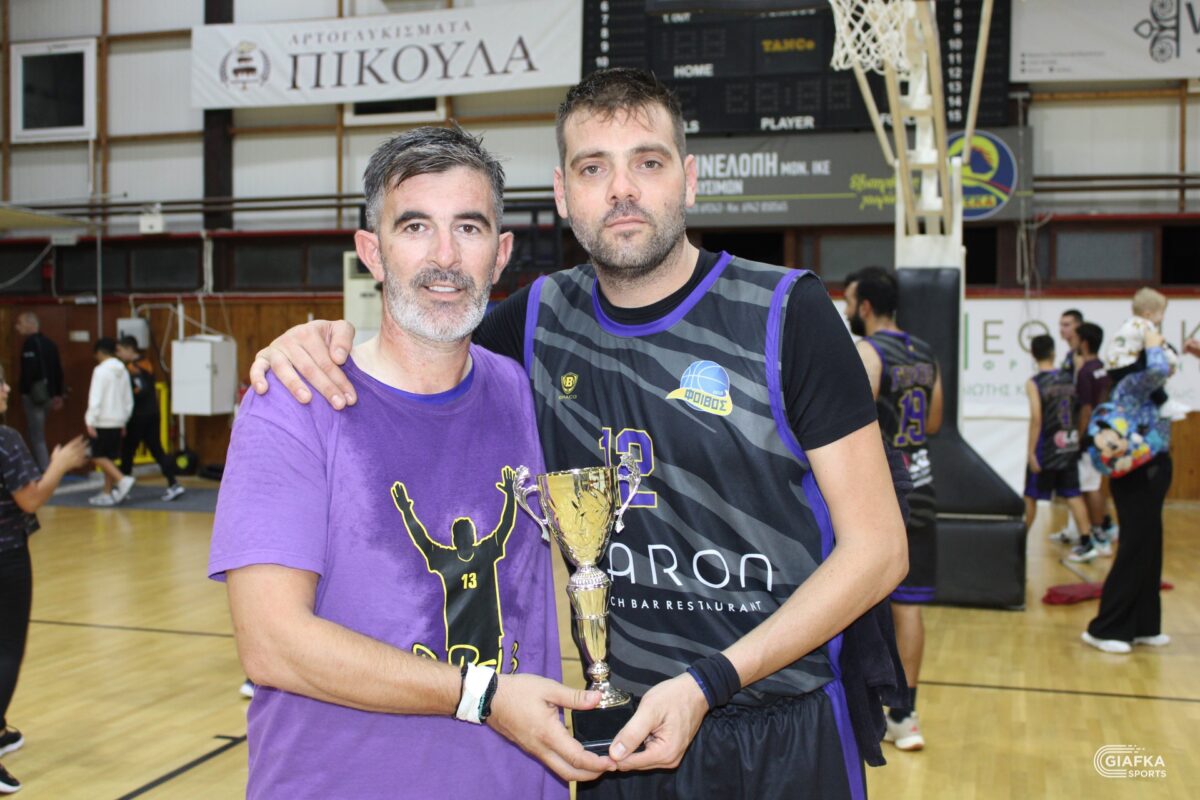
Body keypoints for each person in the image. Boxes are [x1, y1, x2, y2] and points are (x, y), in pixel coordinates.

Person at [252, 68, 907, 799]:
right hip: (614, 733)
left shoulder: (787, 312)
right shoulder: (538, 323)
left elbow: (879, 549)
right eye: (594, 168)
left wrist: (708, 682)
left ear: (689, 179)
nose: (622, 190)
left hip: (780, 727)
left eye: (648, 162)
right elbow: (422, 343)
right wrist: (317, 340)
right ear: (564, 195)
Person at [209, 126, 612, 800]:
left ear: (501, 254)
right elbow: (272, 644)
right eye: (416, 226)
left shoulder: (522, 392)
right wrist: (482, 695)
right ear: (372, 251)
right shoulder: (295, 399)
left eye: (469, 228)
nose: (444, 257)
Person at [844, 266, 942, 753]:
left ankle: (861, 705)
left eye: (849, 301)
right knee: (910, 605)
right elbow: (935, 420)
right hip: (922, 483)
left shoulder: (869, 352)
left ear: (864, 306)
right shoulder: (925, 351)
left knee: (860, 601)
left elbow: (849, 422)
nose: (847, 309)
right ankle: (906, 713)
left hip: (885, 489)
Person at [0, 364, 89, 794]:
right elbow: (31, 498)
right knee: (6, 650)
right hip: (6, 556)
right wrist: (60, 464)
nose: (6, 389)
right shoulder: (5, 440)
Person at [1082, 325, 1177, 654]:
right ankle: (1107, 627)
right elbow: (1159, 368)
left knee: (1150, 549)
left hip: (1153, 469)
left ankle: (1144, 624)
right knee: (1135, 548)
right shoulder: (1133, 383)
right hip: (1137, 475)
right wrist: (1152, 338)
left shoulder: (1149, 390)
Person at [1022, 335, 1094, 559]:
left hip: (1046, 447)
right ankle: (1087, 541)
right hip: (1068, 443)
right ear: (1053, 352)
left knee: (1031, 496)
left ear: (1033, 355)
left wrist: (1031, 452)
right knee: (1073, 493)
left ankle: (1018, 542)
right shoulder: (1068, 378)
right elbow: (1080, 409)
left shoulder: (1035, 382)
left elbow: (1037, 418)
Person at [1049, 322, 1116, 556]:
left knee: (1089, 487)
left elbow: (1086, 408)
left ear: (1084, 343)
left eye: (1076, 337)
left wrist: (1078, 437)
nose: (1072, 342)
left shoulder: (1087, 372)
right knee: (1093, 484)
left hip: (1089, 437)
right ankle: (1100, 529)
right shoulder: (1101, 368)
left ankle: (1098, 534)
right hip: (1102, 433)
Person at [115, 337, 184, 502]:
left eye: (120, 350)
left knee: (128, 451)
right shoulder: (147, 363)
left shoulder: (134, 367)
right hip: (152, 413)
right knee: (156, 449)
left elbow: (141, 390)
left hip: (139, 416)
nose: (118, 354)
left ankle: (122, 486)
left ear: (129, 349)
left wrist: (127, 396)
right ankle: (173, 483)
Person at [1105, 287, 1179, 414]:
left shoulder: (1127, 324)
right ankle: (1164, 402)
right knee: (1151, 380)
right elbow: (1160, 347)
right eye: (1161, 313)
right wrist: (1172, 361)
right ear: (1148, 314)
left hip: (1113, 369)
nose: (1162, 318)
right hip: (1129, 367)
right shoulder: (1146, 325)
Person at [84, 338, 135, 507]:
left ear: (99, 352)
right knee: (109, 458)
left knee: (97, 455)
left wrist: (90, 419)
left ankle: (122, 480)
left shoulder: (100, 371)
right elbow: (128, 398)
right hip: (118, 420)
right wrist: (124, 420)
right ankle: (107, 492)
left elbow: (95, 397)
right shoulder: (123, 370)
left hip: (103, 420)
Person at [13, 313, 64, 472]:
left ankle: (45, 469)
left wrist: (24, 390)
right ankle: (38, 466)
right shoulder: (50, 343)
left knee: (37, 435)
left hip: (35, 395)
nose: (17, 327)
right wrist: (58, 394)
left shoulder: (30, 344)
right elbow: (58, 370)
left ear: (30, 324)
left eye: (20, 323)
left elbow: (30, 371)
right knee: (35, 432)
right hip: (49, 394)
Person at [1058, 309, 1083, 374]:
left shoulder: (1081, 353)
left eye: (1066, 325)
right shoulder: (1070, 353)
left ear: (1078, 326)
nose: (1061, 329)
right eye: (1061, 325)